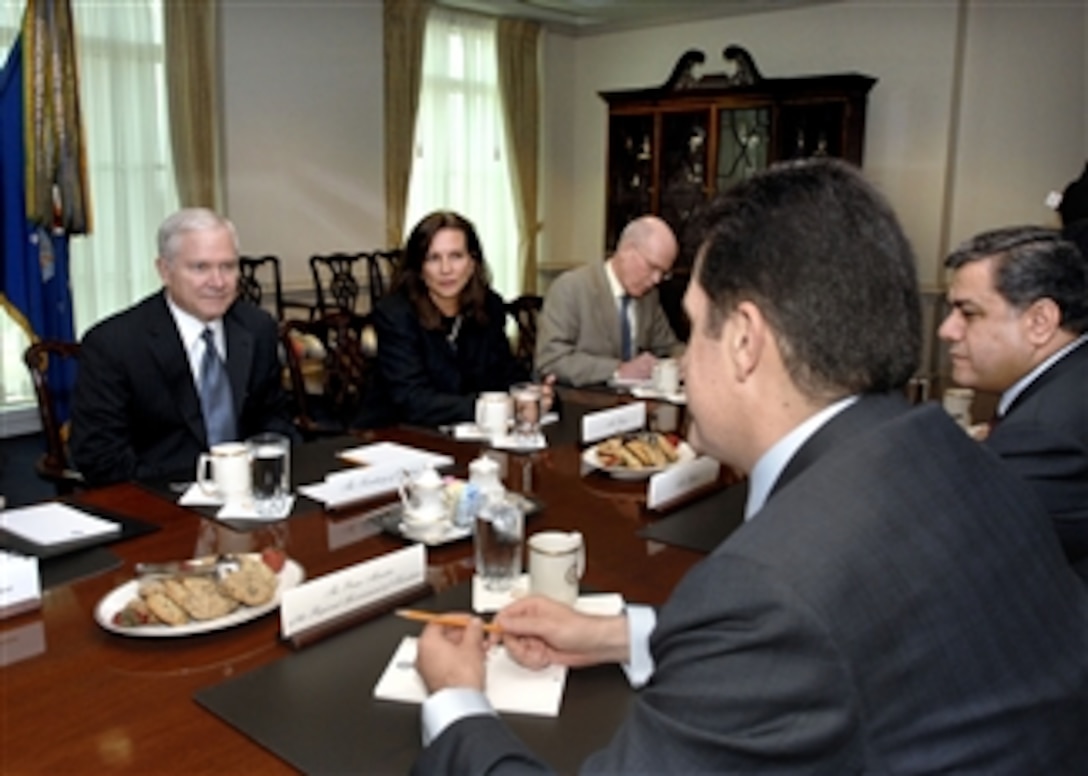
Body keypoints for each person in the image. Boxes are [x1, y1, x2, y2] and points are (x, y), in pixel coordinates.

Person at [410, 160, 1088, 773]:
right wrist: (618, 634)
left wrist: (458, 704)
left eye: (695, 323)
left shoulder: (769, 589)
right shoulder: (957, 461)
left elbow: (790, 630)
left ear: (743, 342)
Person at [70, 208, 297, 486]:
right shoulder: (114, 344)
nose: (218, 282)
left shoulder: (256, 327)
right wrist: (201, 486)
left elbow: (273, 421)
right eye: (200, 267)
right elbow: (101, 458)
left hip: (252, 496)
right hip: (159, 499)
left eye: (228, 266)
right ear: (165, 271)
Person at [938, 225, 1088, 578]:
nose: (947, 330)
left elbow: (964, 552)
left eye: (968, 313)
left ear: (1039, 322)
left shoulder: (1045, 434)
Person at [369, 210, 550, 428]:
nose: (446, 269)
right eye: (433, 258)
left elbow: (504, 373)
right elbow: (412, 400)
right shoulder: (395, 314)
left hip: (464, 435)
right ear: (418, 268)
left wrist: (533, 394)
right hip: (394, 435)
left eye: (456, 256)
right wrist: (493, 408)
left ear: (472, 262)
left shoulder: (489, 306)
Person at [535, 215, 682, 386]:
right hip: (582, 404)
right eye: (652, 267)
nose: (657, 279)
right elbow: (550, 360)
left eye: (663, 273)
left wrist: (684, 361)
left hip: (637, 404)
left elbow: (668, 346)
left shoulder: (649, 297)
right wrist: (618, 369)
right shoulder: (572, 288)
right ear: (627, 250)